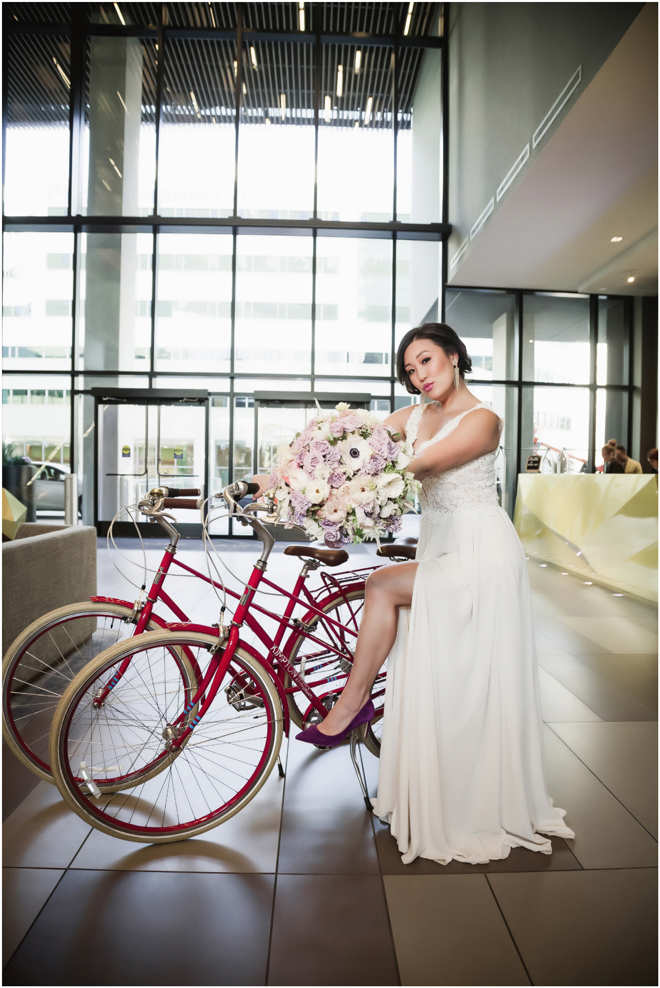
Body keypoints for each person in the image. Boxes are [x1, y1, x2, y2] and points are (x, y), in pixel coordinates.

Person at [251, 323, 574, 866]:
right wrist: (278, 479)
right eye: (410, 369)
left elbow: (415, 466)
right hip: (441, 544)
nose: (420, 375)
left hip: (481, 554)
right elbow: (350, 451)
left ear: (454, 356)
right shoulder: (413, 417)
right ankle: (440, 783)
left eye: (427, 360)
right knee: (443, 667)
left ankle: (350, 706)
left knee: (380, 584)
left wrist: (346, 484)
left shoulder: (484, 420)